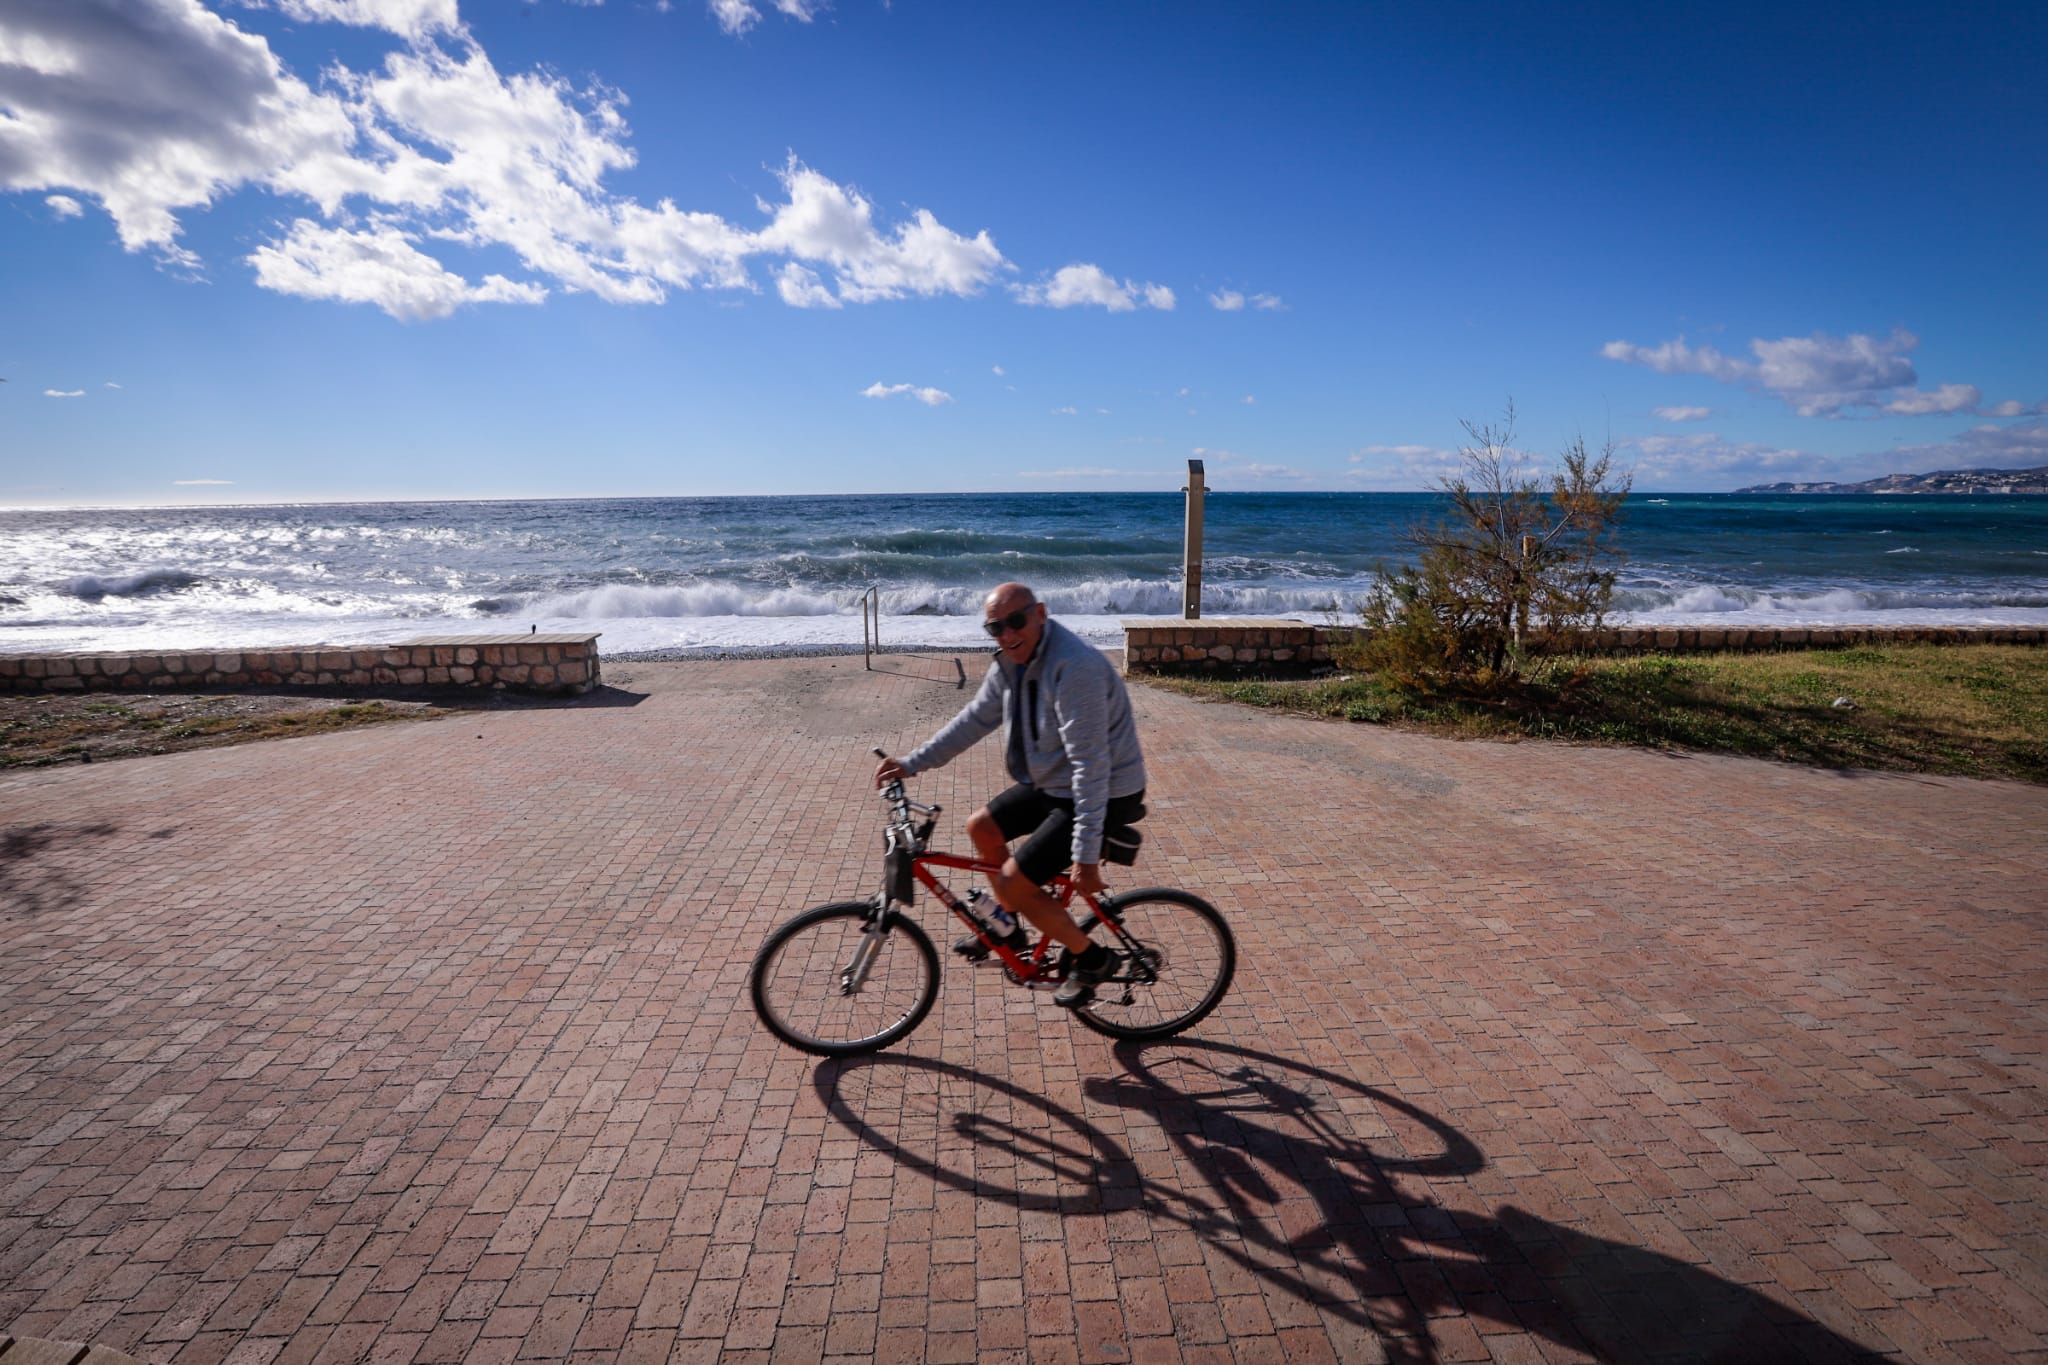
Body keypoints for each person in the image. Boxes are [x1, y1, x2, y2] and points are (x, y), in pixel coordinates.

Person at [875, 582, 1147, 1007]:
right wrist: (911, 763)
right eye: (994, 627)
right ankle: (1009, 924)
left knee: (1011, 884)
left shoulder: (1075, 669)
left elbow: (1091, 768)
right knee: (981, 828)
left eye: (1015, 621)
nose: (1005, 634)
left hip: (1104, 792)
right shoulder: (1010, 664)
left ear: (1040, 613)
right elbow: (973, 721)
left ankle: (1091, 958)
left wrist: (1086, 855)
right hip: (1053, 784)